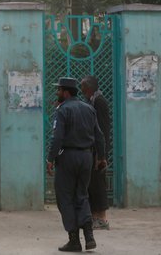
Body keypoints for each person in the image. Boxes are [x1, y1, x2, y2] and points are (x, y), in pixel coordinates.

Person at [46, 77, 107, 252]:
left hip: (68, 157)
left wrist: (50, 159)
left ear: (65, 93)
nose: (57, 93)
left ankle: (74, 239)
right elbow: (99, 136)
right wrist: (101, 157)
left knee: (65, 197)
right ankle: (89, 236)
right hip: (87, 157)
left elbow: (57, 138)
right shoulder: (89, 109)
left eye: (58, 90)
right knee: (82, 195)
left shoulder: (62, 110)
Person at [81, 75, 111, 230]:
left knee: (98, 184)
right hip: (92, 150)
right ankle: (95, 217)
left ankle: (103, 219)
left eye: (83, 86)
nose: (81, 89)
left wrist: (102, 155)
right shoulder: (92, 100)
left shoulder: (99, 102)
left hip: (98, 152)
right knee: (92, 184)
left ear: (89, 87)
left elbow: (104, 130)